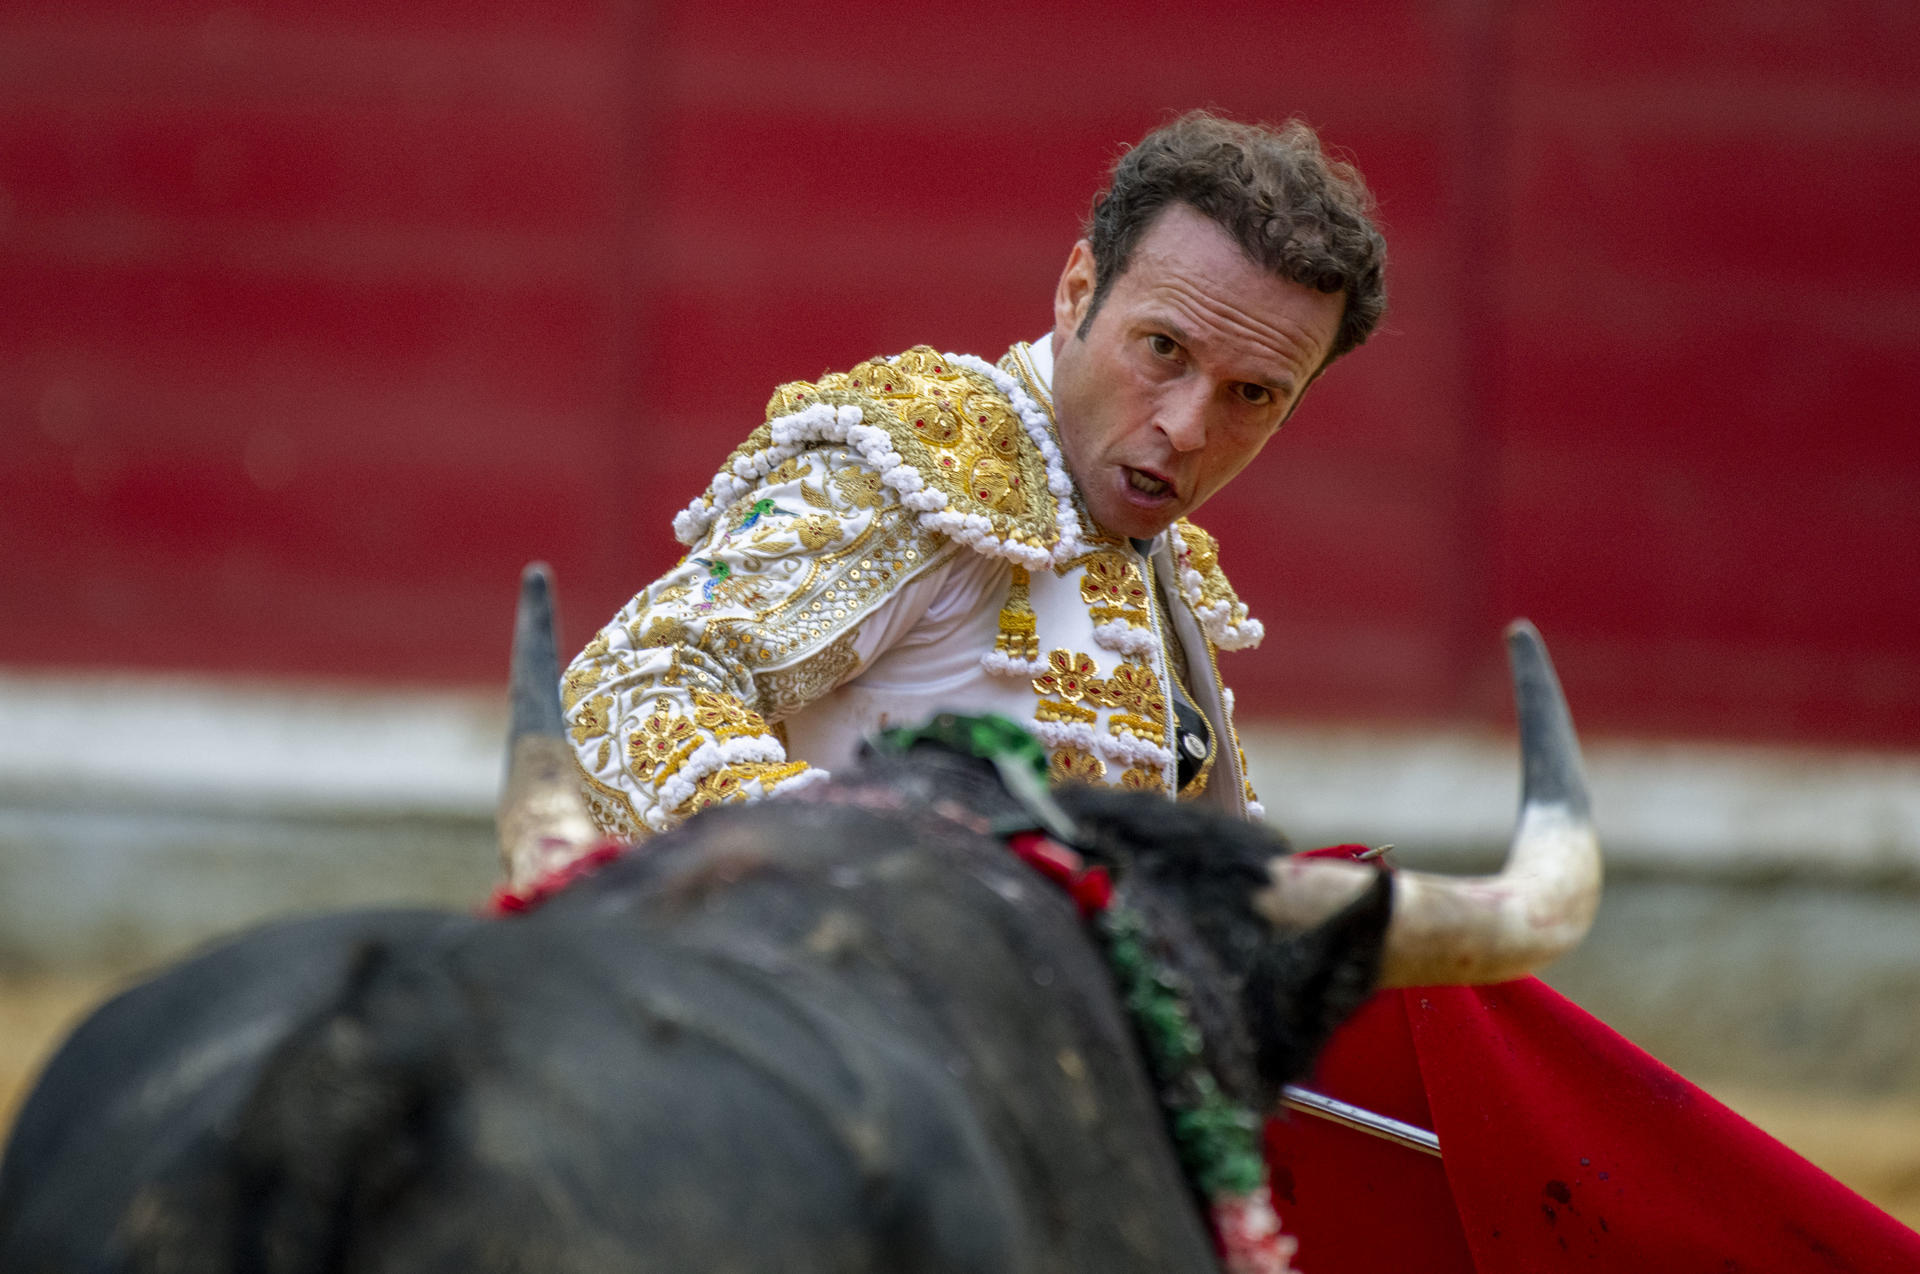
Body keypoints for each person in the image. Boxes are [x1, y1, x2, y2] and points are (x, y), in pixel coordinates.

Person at [560, 111, 1386, 839]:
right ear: (1077, 292)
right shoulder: (920, 467)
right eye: (1163, 349)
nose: (1187, 428)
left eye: (1252, 394)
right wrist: (881, 892)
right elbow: (632, 687)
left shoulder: (1156, 565)